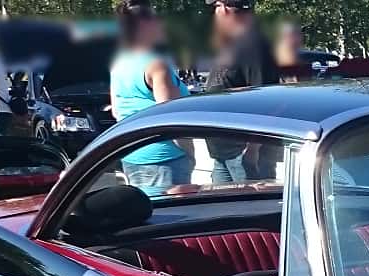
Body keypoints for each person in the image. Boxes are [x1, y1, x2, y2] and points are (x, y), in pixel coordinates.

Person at [109, 0, 191, 196]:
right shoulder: (156, 65)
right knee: (174, 217)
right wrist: (190, 152)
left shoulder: (119, 63)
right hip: (164, 157)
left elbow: (116, 110)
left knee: (147, 216)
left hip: (132, 153)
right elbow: (171, 118)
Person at [204, 0, 276, 182]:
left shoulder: (253, 44)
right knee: (223, 209)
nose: (215, 13)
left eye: (216, 7)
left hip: (243, 153)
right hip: (222, 152)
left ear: (226, 9)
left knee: (251, 207)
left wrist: (252, 149)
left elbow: (265, 99)